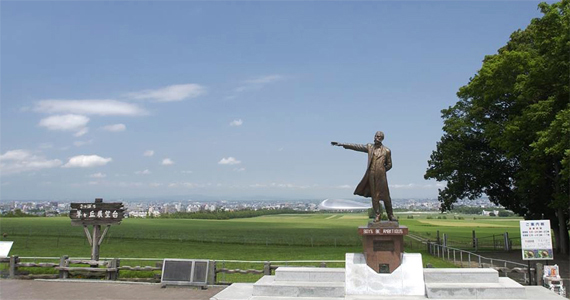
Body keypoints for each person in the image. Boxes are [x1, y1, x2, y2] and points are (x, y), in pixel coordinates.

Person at [331, 131, 395, 222]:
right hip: (371, 175)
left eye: (379, 136)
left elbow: (389, 164)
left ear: (382, 138)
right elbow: (357, 147)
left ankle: (391, 215)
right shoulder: (370, 147)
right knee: (375, 196)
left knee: (386, 196)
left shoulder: (387, 151)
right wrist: (342, 144)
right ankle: (377, 215)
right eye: (376, 136)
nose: (377, 137)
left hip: (381, 177)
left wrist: (382, 170)